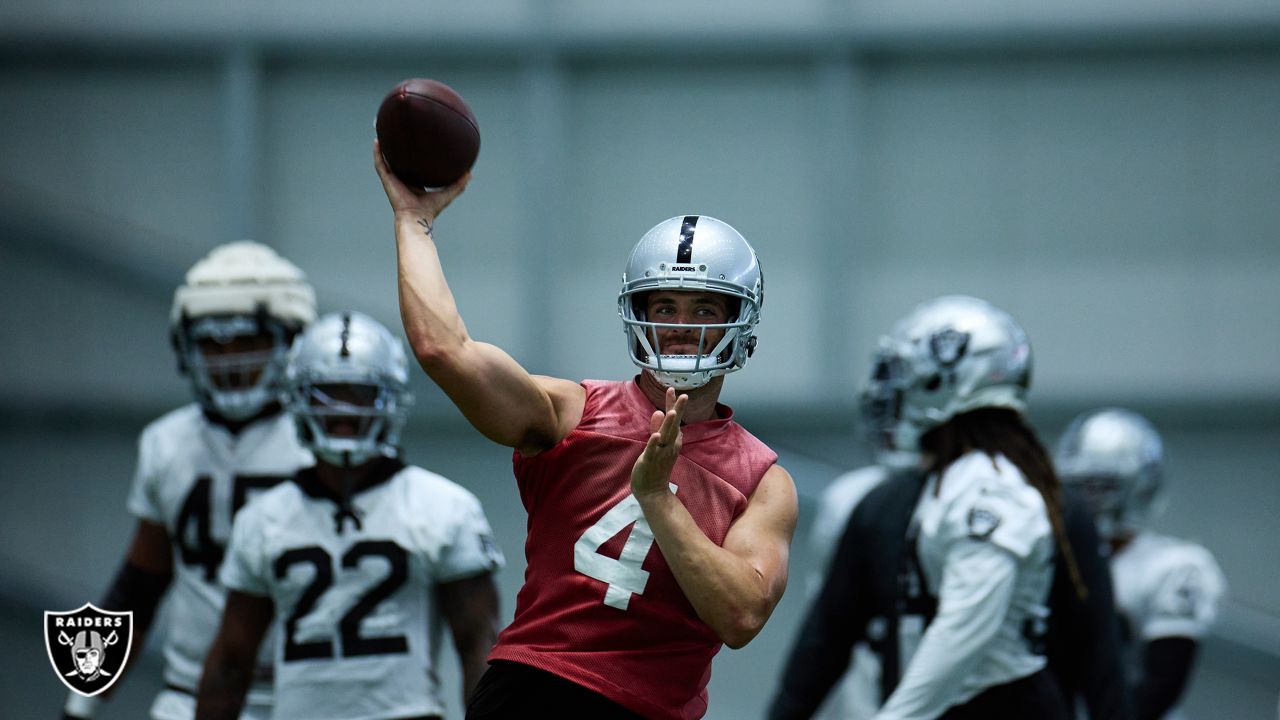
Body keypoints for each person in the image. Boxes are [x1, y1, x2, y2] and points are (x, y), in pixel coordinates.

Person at [374, 146, 798, 720]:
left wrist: (657, 499)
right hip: (536, 689)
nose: (679, 327)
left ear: (739, 320)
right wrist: (413, 222)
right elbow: (443, 350)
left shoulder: (764, 480)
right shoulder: (571, 412)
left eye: (702, 307)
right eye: (664, 306)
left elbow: (741, 617)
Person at [768, 312, 1131, 720]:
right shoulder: (897, 500)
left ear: (946, 381)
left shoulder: (990, 488)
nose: (891, 389)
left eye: (907, 374)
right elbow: (826, 638)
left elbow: (967, 630)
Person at [196, 311, 505, 720]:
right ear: (298, 399)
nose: (342, 413)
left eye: (360, 395)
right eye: (326, 394)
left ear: (391, 400)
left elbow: (478, 648)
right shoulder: (263, 519)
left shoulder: (444, 507)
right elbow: (230, 663)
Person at [60, 241, 317, 720]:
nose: (229, 359)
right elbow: (140, 586)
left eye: (247, 341)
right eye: (212, 343)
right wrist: (81, 700)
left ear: (292, 342)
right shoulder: (168, 443)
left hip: (306, 694)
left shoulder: (318, 443)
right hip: (194, 692)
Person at [1056, 408, 1226, 720]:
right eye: (1078, 487)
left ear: (1139, 484)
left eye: (1101, 486)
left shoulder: (1174, 567)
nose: (1088, 500)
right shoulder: (1056, 562)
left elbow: (1162, 683)